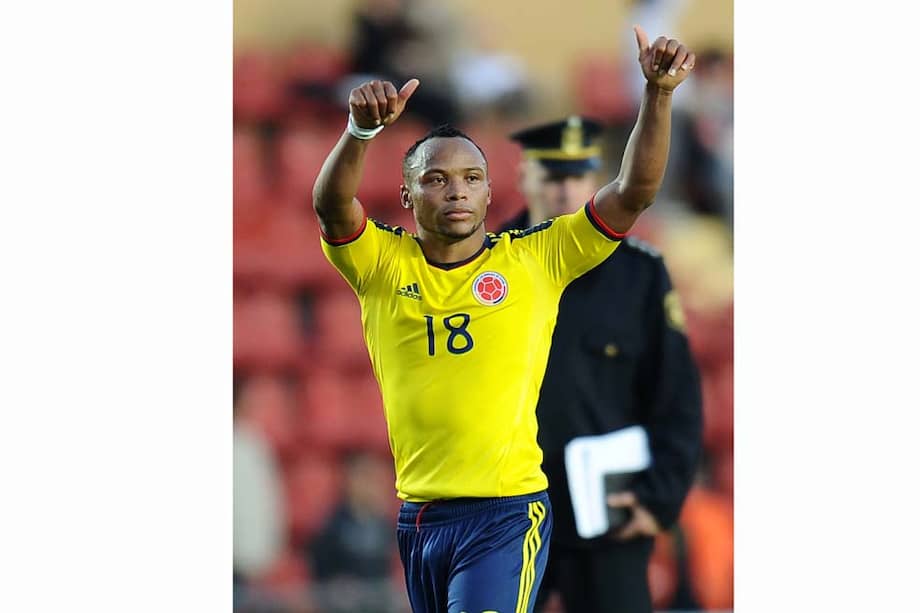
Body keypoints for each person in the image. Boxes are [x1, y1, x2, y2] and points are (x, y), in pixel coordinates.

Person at [311, 25, 696, 613]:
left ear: (491, 194)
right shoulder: (381, 264)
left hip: (506, 511)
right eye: (436, 179)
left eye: (470, 179)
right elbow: (332, 206)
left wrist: (658, 94)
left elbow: (635, 190)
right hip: (420, 517)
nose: (456, 192)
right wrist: (360, 132)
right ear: (409, 196)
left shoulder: (536, 259)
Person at [500, 116, 703, 612]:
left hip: (609, 513)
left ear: (595, 180)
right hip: (506, 512)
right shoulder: (488, 267)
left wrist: (660, 499)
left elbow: (677, 396)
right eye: (551, 175)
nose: (565, 190)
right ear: (524, 176)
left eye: (578, 175)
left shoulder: (639, 275)